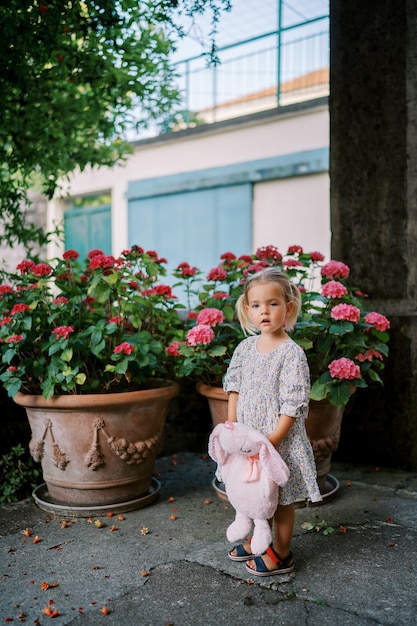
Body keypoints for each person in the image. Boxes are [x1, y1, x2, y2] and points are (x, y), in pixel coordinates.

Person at [223, 266, 322, 576]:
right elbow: (234, 387)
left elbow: (293, 405)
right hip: (248, 440)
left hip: (278, 442)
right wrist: (232, 429)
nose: (264, 311)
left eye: (272, 303)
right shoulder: (244, 349)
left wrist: (271, 443)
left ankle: (281, 552)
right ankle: (259, 540)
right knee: (253, 493)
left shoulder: (291, 354)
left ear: (288, 307)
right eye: (256, 305)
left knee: (279, 498)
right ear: (247, 309)